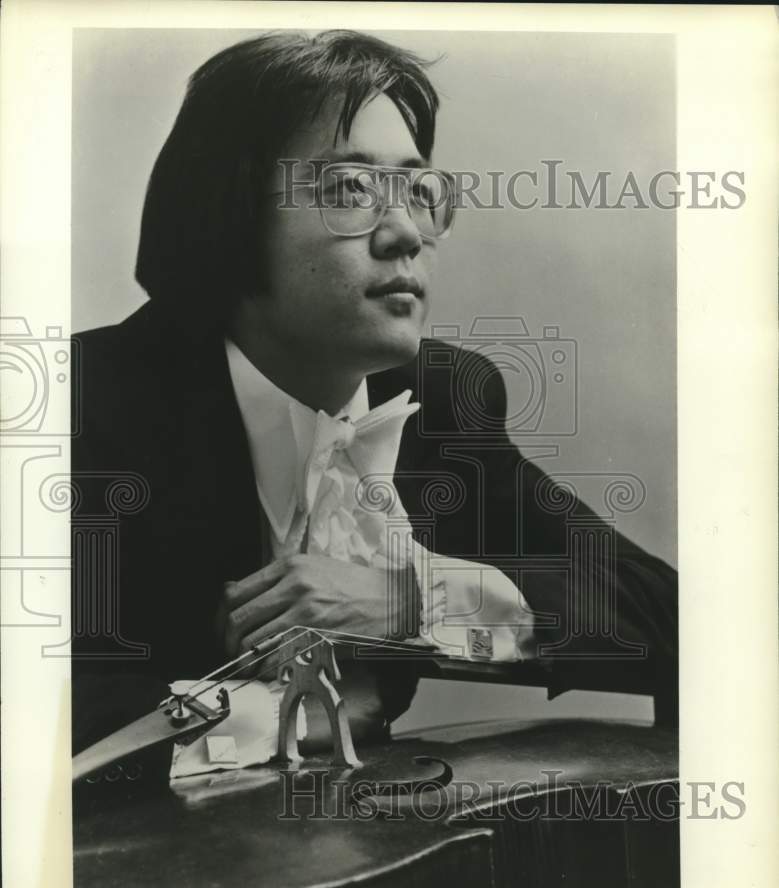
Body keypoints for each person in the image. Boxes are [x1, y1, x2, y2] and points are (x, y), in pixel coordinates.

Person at [71, 30, 678, 755]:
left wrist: (408, 601)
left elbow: (665, 616)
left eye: (419, 193)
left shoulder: (441, 401)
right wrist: (298, 716)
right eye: (350, 190)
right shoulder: (88, 404)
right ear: (224, 217)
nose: (403, 235)